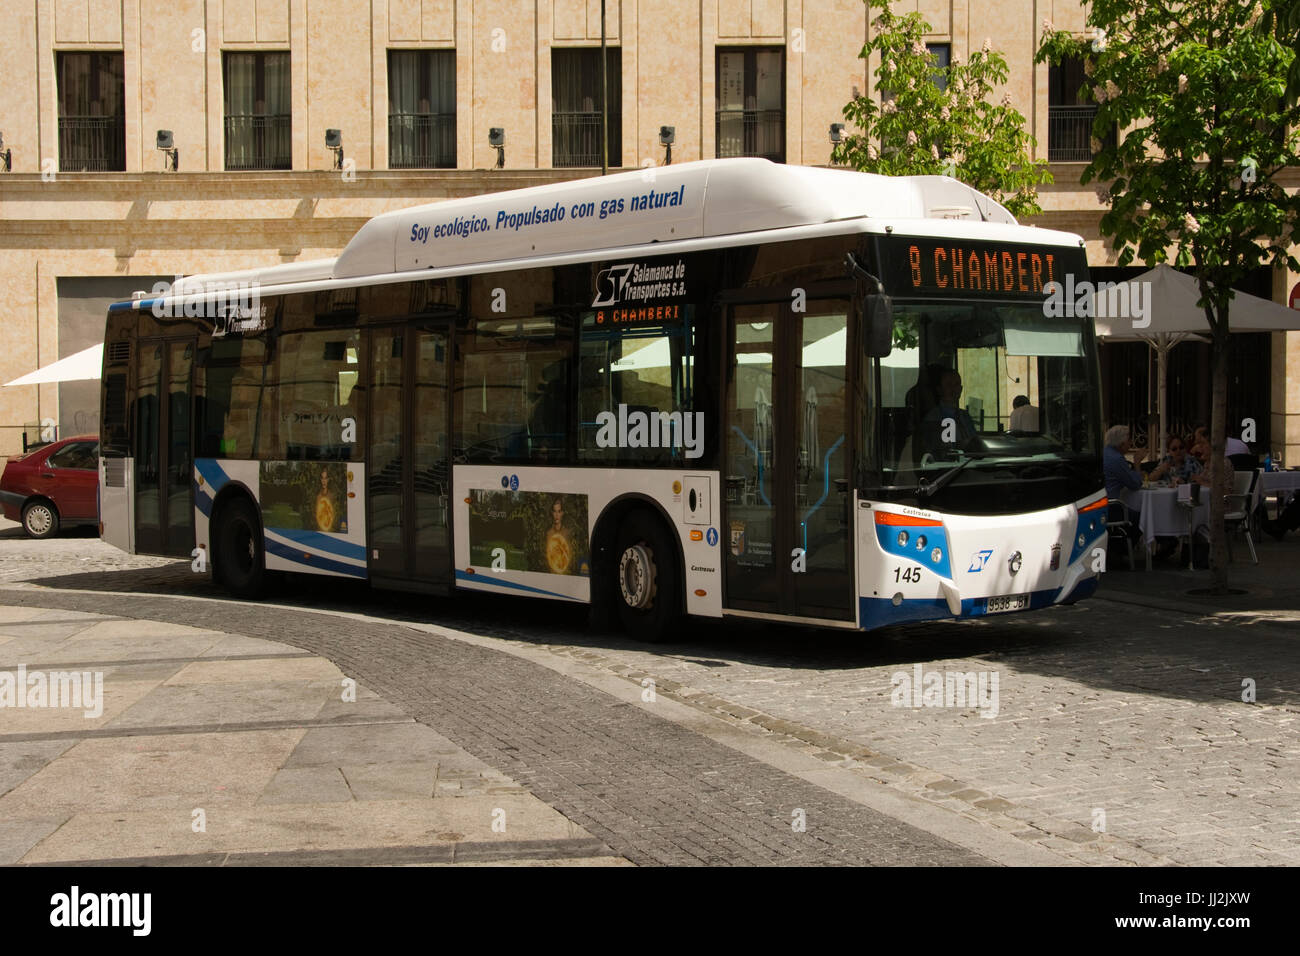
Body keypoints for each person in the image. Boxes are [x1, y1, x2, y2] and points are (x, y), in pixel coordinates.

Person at [920, 369, 978, 457]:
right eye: (948, 385)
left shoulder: (965, 416)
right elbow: (937, 449)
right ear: (939, 389)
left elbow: (975, 443)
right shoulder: (933, 417)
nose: (953, 389)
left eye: (956, 385)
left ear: (961, 389)